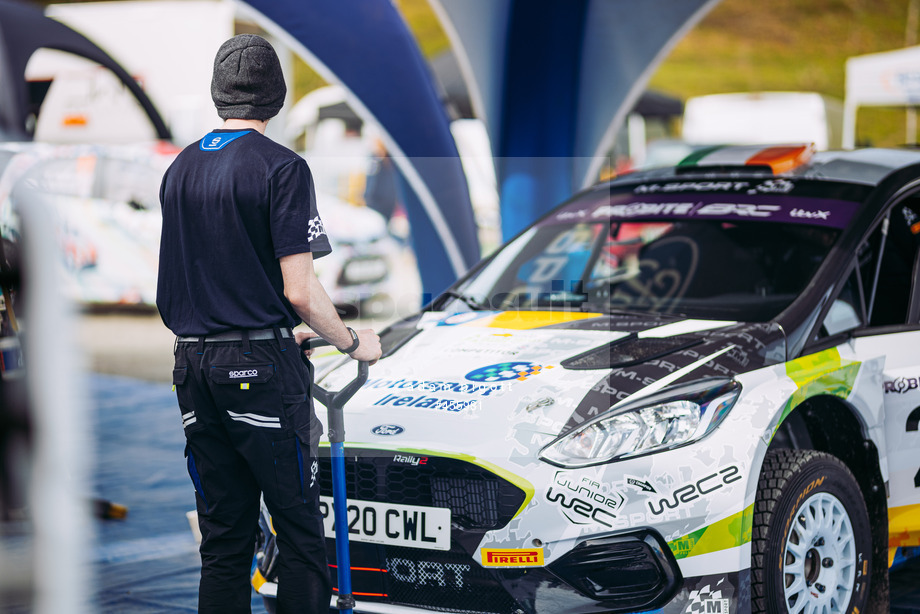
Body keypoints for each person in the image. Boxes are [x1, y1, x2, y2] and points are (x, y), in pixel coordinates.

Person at [156, 34, 381, 614]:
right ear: (275, 97)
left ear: (217, 94)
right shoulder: (281, 167)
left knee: (226, 539)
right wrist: (353, 341)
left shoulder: (180, 167)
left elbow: (221, 269)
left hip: (193, 364)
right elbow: (300, 290)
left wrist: (280, 325)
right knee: (300, 536)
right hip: (258, 368)